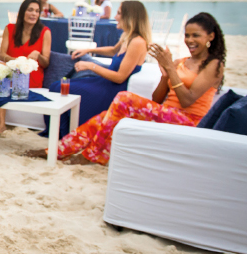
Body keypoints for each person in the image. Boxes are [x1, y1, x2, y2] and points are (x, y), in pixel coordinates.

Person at [32, 12, 226, 165]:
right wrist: (165, 76)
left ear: (210, 36)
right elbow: (158, 101)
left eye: (196, 35)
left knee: (124, 98)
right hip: (168, 113)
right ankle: (55, 151)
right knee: (102, 118)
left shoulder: (214, 65)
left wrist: (170, 69)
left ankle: (93, 155)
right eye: (187, 35)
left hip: (189, 121)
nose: (190, 40)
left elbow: (187, 100)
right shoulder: (180, 62)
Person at [41, 0, 150, 139]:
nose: (115, 17)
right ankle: (57, 133)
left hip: (113, 90)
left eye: (118, 13)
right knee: (56, 86)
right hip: (104, 82)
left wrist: (90, 66)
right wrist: (88, 49)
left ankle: (66, 135)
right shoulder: (127, 37)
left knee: (63, 89)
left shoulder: (138, 42)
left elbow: (120, 77)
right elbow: (112, 50)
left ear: (130, 17)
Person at [0, 0, 51, 133]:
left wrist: (38, 55)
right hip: (11, 70)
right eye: (30, 10)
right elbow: (1, 55)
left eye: (37, 11)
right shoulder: (10, 29)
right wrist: (15, 61)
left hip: (29, 76)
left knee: (2, 75)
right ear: (22, 12)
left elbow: (46, 63)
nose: (34, 14)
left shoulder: (45, 32)